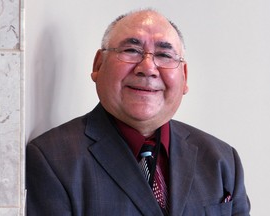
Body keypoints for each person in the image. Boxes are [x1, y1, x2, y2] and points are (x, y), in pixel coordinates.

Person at [26, 8, 250, 216]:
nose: (148, 68)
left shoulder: (221, 159)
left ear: (184, 77)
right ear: (98, 65)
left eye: (164, 55)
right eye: (131, 50)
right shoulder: (51, 160)